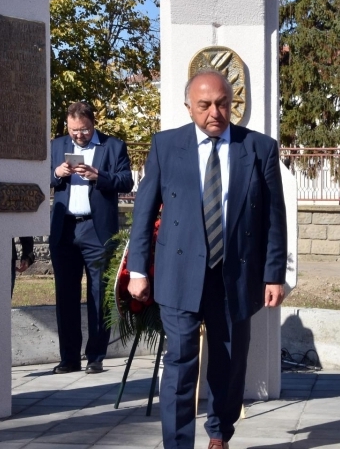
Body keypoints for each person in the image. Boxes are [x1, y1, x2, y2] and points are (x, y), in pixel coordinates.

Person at [128, 69, 287, 449]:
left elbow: (273, 218)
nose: (215, 112)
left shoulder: (259, 148)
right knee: (180, 361)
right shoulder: (166, 146)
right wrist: (137, 269)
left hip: (235, 275)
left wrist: (274, 275)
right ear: (189, 107)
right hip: (179, 273)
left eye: (222, 103)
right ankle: (178, 444)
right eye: (205, 105)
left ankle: (219, 433)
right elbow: (144, 211)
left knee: (229, 364)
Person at [49, 101, 133, 374]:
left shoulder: (113, 146)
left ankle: (96, 355)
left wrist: (99, 176)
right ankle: (69, 358)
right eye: (74, 130)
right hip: (65, 229)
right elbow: (39, 178)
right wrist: (55, 174)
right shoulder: (56, 145)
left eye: (84, 130)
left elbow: (126, 181)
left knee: (99, 294)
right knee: (66, 295)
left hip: (96, 230)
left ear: (92, 124)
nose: (78, 135)